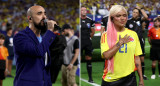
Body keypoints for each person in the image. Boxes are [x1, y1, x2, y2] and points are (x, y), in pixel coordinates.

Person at [13, 5, 57, 86]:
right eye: (39, 14)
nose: (44, 17)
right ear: (30, 18)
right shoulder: (20, 37)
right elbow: (38, 52)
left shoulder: (43, 38)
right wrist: (50, 31)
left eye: (45, 13)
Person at [101, 5, 144, 86]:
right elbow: (106, 55)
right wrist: (119, 43)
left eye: (124, 15)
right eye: (118, 16)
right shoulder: (106, 35)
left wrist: (141, 79)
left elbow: (137, 58)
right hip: (111, 80)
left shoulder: (133, 34)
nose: (122, 18)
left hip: (130, 79)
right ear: (112, 18)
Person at [126, 6, 148, 80]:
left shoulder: (140, 20)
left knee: (141, 59)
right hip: (131, 42)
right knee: (131, 59)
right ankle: (130, 74)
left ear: (138, 14)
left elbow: (146, 16)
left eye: (136, 12)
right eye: (133, 12)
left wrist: (141, 9)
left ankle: (142, 75)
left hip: (140, 41)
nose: (134, 13)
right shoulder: (128, 21)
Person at [81, 6, 95, 83]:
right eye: (82, 10)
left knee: (89, 59)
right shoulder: (78, 20)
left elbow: (93, 32)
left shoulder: (90, 20)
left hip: (87, 43)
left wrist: (89, 38)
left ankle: (90, 78)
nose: (83, 11)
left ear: (86, 12)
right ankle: (77, 77)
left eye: (85, 10)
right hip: (79, 43)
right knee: (78, 60)